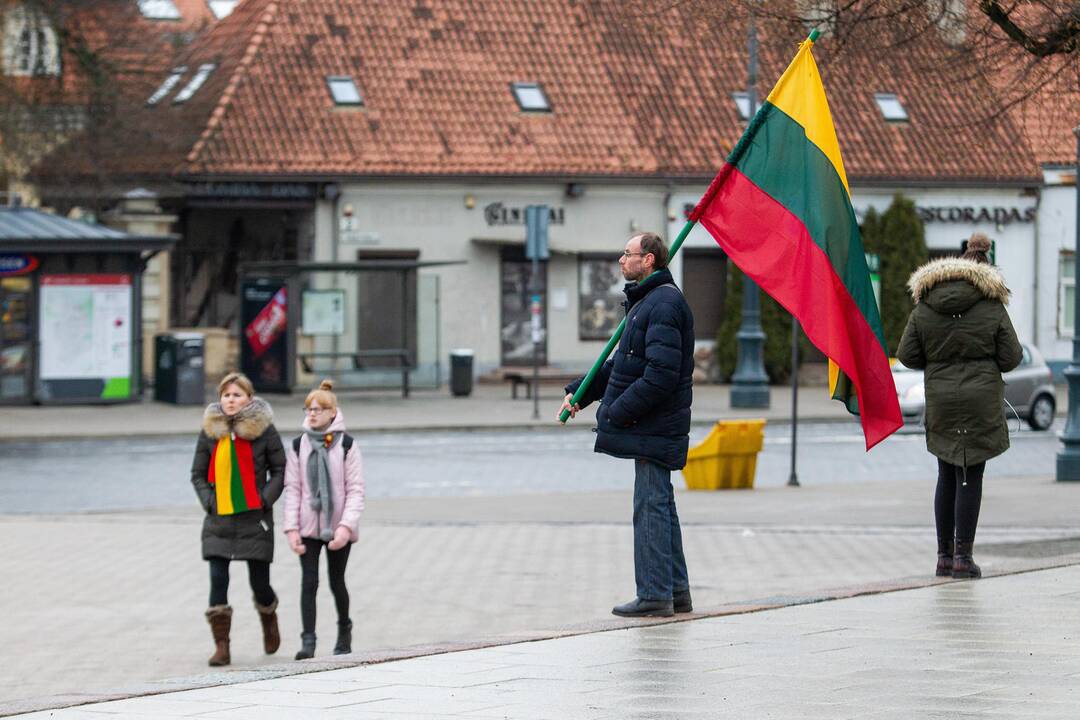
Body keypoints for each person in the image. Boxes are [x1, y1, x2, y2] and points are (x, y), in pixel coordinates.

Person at [560, 231, 694, 617]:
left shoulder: (664, 304)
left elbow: (661, 374)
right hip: (650, 423)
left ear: (648, 259)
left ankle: (654, 595)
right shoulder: (648, 302)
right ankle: (675, 591)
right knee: (660, 505)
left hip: (653, 425)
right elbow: (623, 365)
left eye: (627, 253)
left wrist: (616, 413)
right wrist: (580, 394)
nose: (621, 259)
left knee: (650, 507)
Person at [897, 233, 1023, 580]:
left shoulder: (926, 305)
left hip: (941, 398)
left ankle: (943, 556)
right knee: (971, 473)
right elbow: (1011, 357)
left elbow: (907, 355)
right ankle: (963, 558)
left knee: (946, 473)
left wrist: (938, 360)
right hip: (980, 400)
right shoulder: (991, 304)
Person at [190, 372, 286, 666]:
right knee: (218, 580)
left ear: (249, 398)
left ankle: (269, 619)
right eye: (226, 395)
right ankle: (222, 646)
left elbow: (280, 470)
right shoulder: (211, 431)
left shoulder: (264, 431)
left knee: (260, 583)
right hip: (219, 519)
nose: (230, 400)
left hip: (254, 519)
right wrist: (210, 502)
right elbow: (197, 473)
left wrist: (263, 499)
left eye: (237, 395)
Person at [283, 379, 365, 659]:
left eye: (318, 409)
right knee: (309, 582)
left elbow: (356, 490)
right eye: (308, 409)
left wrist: (345, 527)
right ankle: (308, 640)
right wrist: (291, 529)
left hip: (338, 526)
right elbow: (293, 488)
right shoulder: (298, 445)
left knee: (336, 581)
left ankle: (344, 630)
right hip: (308, 524)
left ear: (333, 412)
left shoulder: (346, 445)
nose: (312, 414)